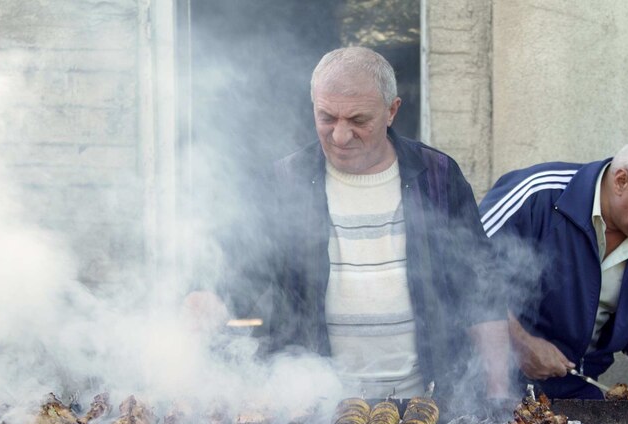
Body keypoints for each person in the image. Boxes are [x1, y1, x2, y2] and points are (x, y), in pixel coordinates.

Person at [185, 46, 508, 400]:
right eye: (327, 117)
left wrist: (498, 391)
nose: (340, 136)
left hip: (427, 409)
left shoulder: (438, 175)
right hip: (316, 413)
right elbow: (234, 276)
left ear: (391, 111)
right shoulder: (283, 182)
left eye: (358, 120)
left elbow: (481, 290)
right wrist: (201, 310)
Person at [479, 138, 628, 401]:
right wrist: (520, 343)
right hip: (482, 382)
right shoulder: (538, 194)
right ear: (621, 181)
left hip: (576, 391)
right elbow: (464, 271)